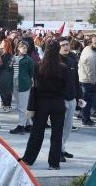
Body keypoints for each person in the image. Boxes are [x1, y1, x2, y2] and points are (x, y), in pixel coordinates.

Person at [20, 40, 70, 170]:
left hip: (41, 102)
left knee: (37, 132)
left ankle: (29, 159)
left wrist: (31, 106)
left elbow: (35, 87)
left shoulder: (38, 66)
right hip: (58, 102)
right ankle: (54, 163)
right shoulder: (63, 67)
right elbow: (65, 87)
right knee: (57, 134)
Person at [59, 38, 80, 158]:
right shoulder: (55, 62)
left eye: (67, 44)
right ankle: (57, 151)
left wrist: (79, 97)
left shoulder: (72, 61)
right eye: (63, 45)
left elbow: (76, 80)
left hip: (72, 99)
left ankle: (62, 148)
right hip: (60, 100)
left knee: (67, 128)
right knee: (59, 128)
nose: (66, 47)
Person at [10, 40, 35, 134]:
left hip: (24, 85)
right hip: (14, 84)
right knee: (20, 105)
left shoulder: (28, 60)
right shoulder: (14, 58)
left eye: (26, 48)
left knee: (22, 106)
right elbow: (9, 69)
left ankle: (21, 125)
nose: (24, 49)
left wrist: (31, 83)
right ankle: (29, 124)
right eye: (22, 47)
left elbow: (31, 73)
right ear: (18, 48)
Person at [78, 37, 96, 126]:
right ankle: (86, 119)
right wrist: (93, 81)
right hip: (88, 81)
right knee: (87, 102)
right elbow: (90, 70)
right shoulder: (90, 54)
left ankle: (85, 118)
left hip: (86, 80)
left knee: (86, 101)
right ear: (90, 43)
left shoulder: (88, 51)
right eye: (95, 42)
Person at [0, 38, 14, 112]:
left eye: (2, 43)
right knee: (3, 90)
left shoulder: (7, 55)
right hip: (3, 74)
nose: (0, 43)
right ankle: (6, 105)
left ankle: (7, 106)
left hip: (5, 74)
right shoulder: (3, 54)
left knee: (5, 91)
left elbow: (8, 66)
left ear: (5, 45)